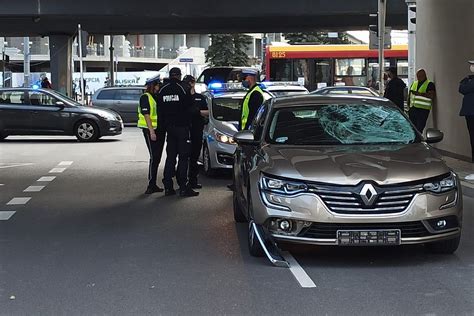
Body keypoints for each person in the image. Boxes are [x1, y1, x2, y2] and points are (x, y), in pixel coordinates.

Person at [158, 67, 199, 197]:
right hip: (182, 127)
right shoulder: (183, 88)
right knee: (183, 158)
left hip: (169, 128)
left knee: (170, 157)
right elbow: (191, 107)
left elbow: (160, 111)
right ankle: (183, 187)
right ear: (179, 76)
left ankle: (168, 187)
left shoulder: (163, 90)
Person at [138, 75, 166, 194]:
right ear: (152, 86)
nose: (159, 87)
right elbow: (147, 115)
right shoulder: (145, 97)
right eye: (158, 85)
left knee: (157, 156)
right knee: (154, 157)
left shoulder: (156, 97)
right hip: (151, 130)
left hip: (159, 130)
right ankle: (151, 184)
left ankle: (153, 183)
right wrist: (151, 131)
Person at [182, 75, 209, 189]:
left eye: (190, 83)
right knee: (184, 157)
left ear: (193, 83)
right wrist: (198, 112)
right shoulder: (183, 97)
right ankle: (183, 182)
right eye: (187, 83)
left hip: (197, 130)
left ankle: (193, 181)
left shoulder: (200, 97)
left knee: (194, 158)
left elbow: (207, 112)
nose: (189, 85)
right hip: (185, 130)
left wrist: (196, 112)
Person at [407, 69, 436, 134]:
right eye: (417, 76)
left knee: (419, 129)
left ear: (424, 75)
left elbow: (431, 96)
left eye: (420, 76)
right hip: (413, 109)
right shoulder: (414, 83)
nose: (418, 78)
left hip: (423, 110)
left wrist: (420, 94)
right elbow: (410, 95)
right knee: (412, 129)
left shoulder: (429, 84)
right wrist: (409, 106)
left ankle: (418, 142)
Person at [459, 60, 474, 162]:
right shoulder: (468, 79)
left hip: (471, 112)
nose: (471, 67)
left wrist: (467, 83)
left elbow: (465, 88)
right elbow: (461, 88)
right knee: (472, 135)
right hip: (469, 112)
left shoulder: (470, 81)